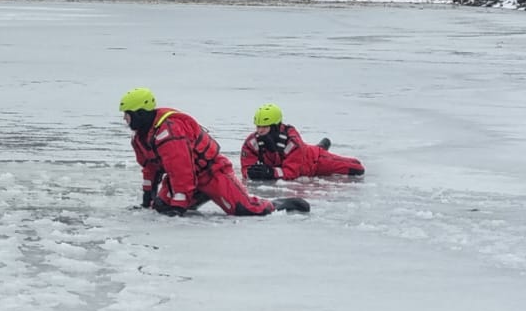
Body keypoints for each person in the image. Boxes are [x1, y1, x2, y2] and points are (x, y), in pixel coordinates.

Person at [120, 88, 307, 216]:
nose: (125, 119)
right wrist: (148, 199)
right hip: (188, 179)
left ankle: (282, 204)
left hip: (212, 173)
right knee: (161, 207)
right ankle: (200, 194)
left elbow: (182, 171)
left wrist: (178, 206)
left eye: (127, 115)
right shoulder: (142, 138)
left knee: (244, 209)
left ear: (140, 113)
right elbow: (150, 169)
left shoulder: (169, 133)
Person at [240, 103, 364, 182]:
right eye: (258, 126)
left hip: (315, 162)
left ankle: (322, 149)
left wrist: (271, 172)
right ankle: (321, 146)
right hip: (303, 154)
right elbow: (245, 168)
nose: (260, 131)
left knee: (357, 169)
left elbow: (292, 172)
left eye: (264, 127)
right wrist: (251, 173)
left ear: (275, 127)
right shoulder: (251, 143)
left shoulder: (293, 142)